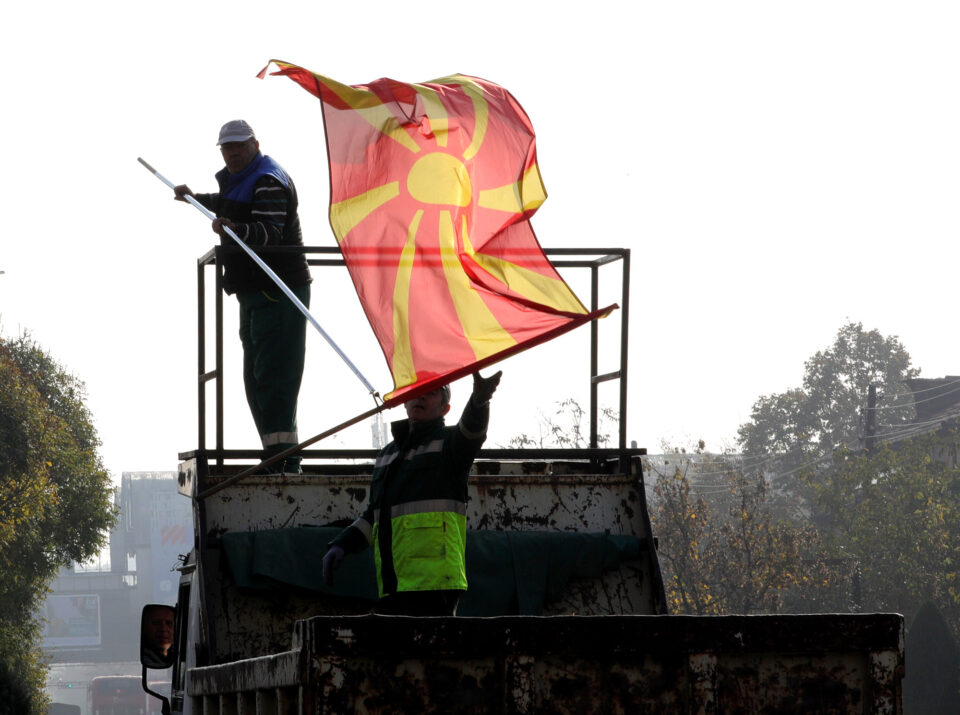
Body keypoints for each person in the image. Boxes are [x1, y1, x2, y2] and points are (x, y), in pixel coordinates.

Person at [174, 120, 312, 474]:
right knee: (256, 378)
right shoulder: (243, 180)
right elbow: (228, 205)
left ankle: (285, 462)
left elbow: (268, 231)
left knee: (274, 377)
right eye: (227, 147)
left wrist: (235, 230)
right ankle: (275, 456)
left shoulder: (268, 180)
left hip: (279, 289)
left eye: (239, 146)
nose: (233, 153)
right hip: (255, 291)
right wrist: (195, 199)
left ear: (255, 144)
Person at [322, 370, 502, 616]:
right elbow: (375, 515)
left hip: (437, 584)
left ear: (445, 408)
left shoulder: (450, 445)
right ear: (405, 401)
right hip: (394, 584)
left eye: (431, 392)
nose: (420, 398)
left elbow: (472, 432)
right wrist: (342, 544)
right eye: (415, 392)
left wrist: (479, 402)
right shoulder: (387, 454)